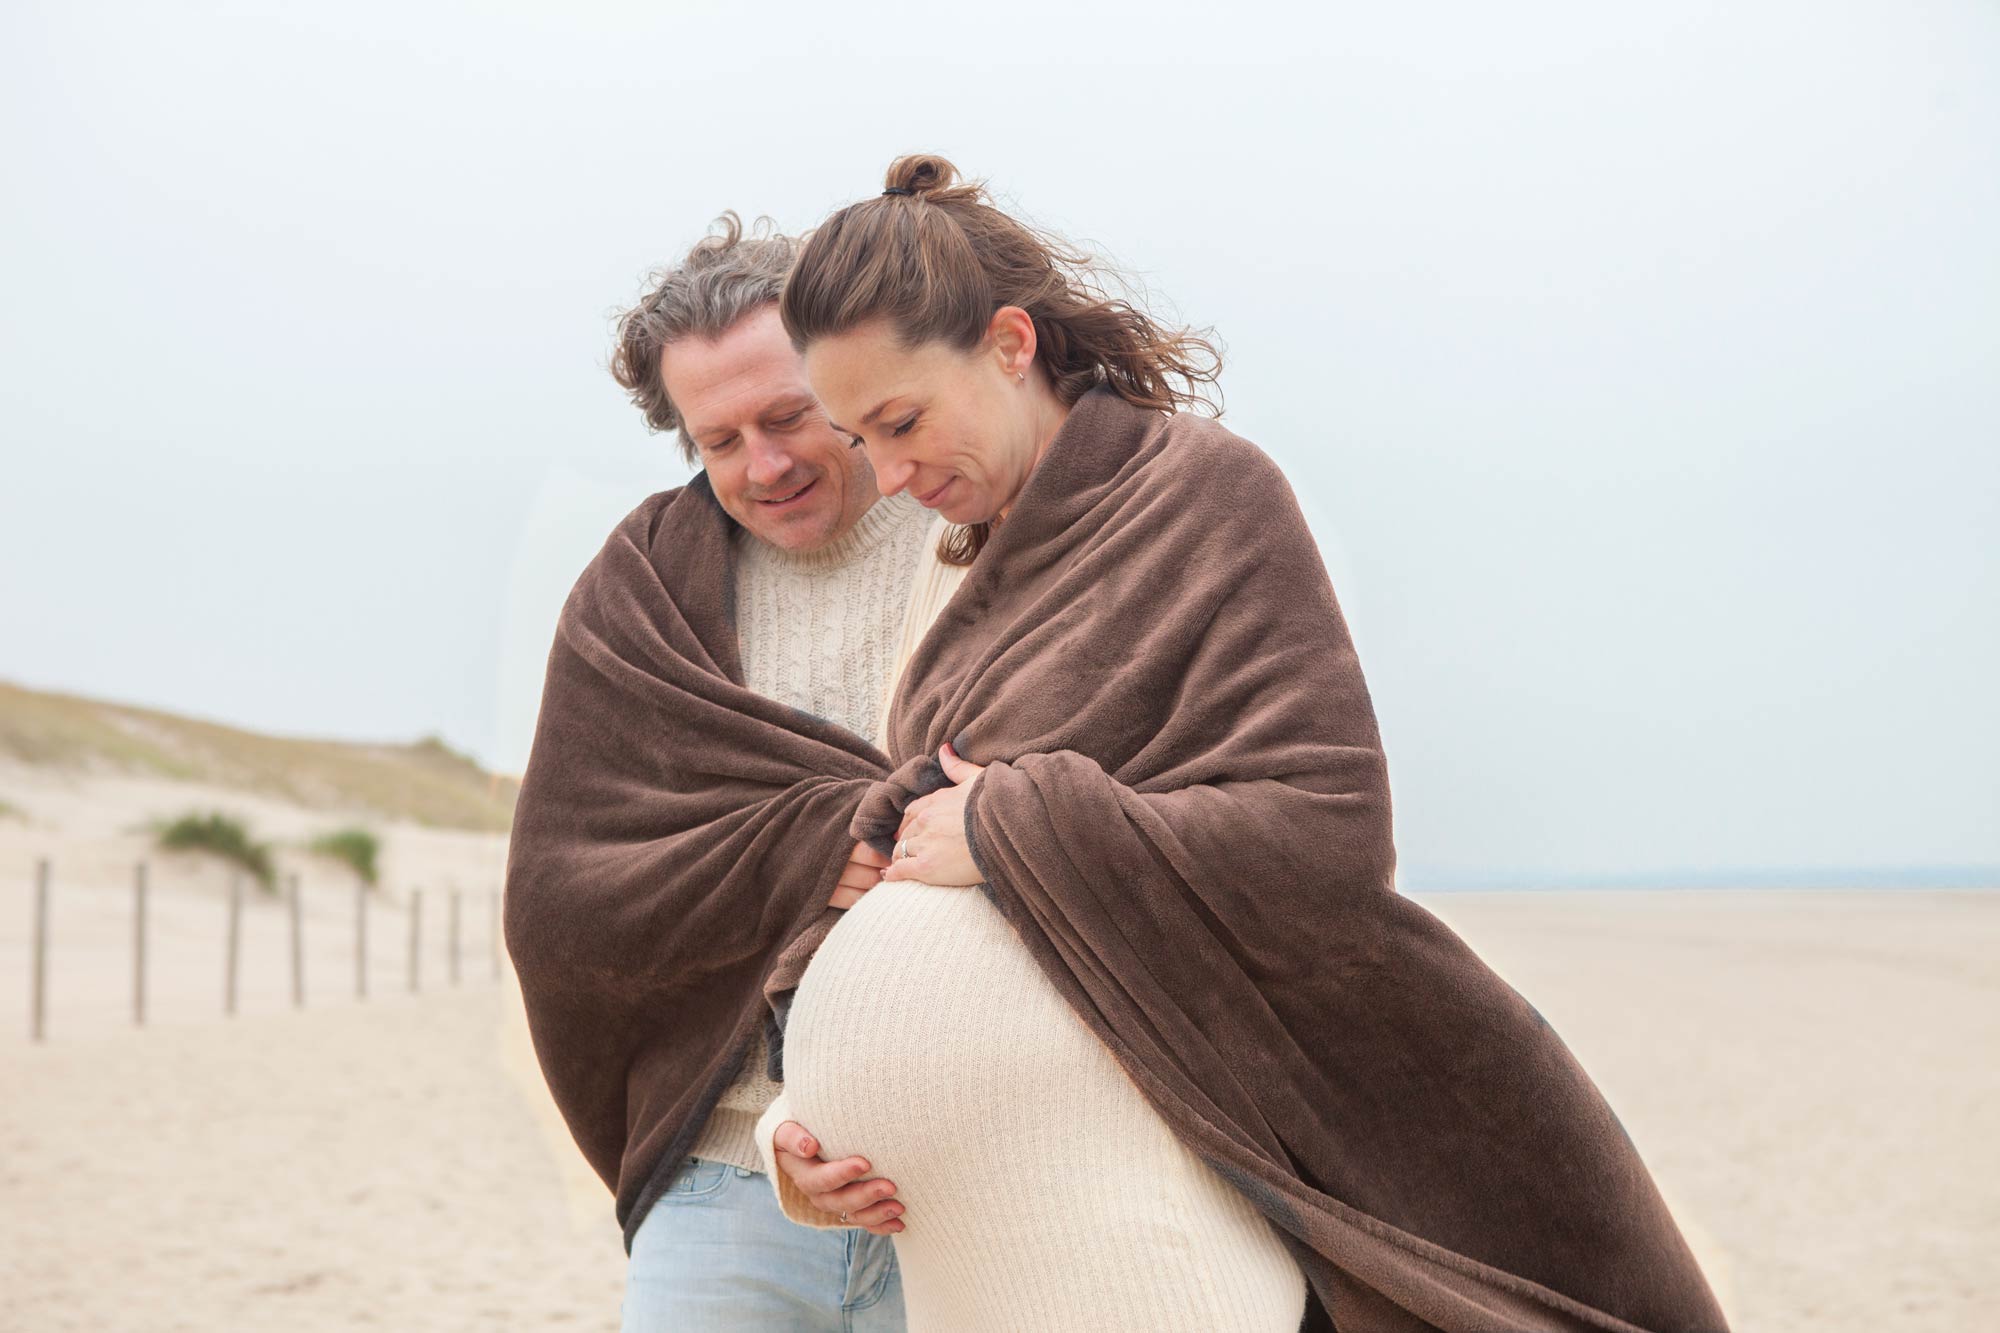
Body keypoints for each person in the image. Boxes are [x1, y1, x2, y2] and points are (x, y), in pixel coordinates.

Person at [749, 156, 1731, 1333]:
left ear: (1009, 344)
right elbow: (917, 844)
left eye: (902, 422)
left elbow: (1323, 831)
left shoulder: (1201, 498)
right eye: (862, 440)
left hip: (1205, 1166)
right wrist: (792, 1128)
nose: (892, 477)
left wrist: (1014, 824)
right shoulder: (978, 576)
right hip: (1004, 1243)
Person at [509, 212, 920, 1331]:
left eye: (789, 416)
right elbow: (564, 897)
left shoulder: (972, 537)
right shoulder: (644, 589)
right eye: (719, 441)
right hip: (729, 1174)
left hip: (974, 1172)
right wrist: (793, 853)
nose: (764, 464)